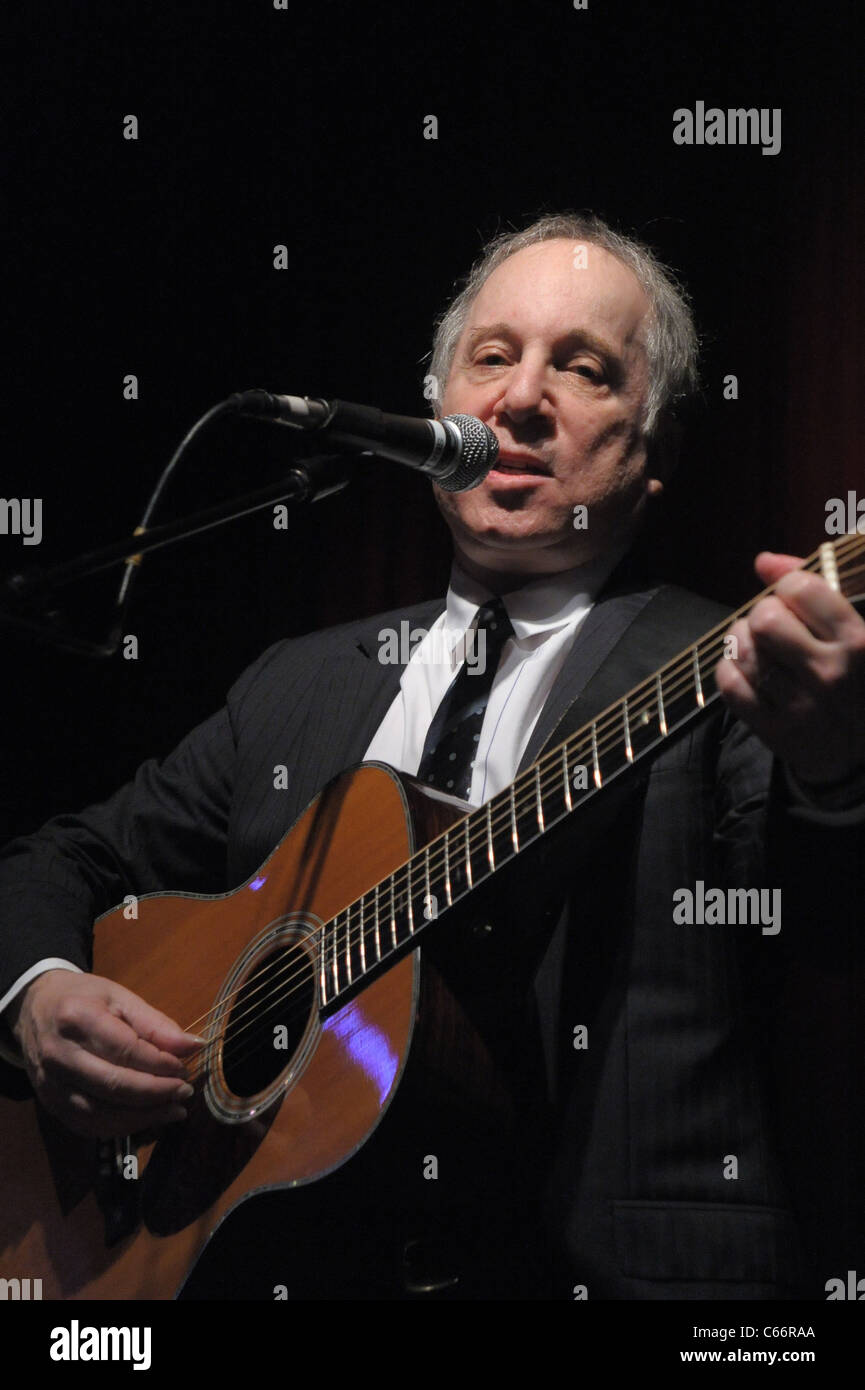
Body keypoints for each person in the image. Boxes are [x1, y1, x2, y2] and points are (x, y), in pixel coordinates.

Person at [1, 213, 864, 1299]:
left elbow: (832, 935)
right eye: (492, 357)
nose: (519, 398)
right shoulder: (296, 685)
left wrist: (836, 773)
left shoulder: (727, 666)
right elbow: (57, 859)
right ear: (435, 409)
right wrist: (35, 997)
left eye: (583, 368)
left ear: (653, 458)